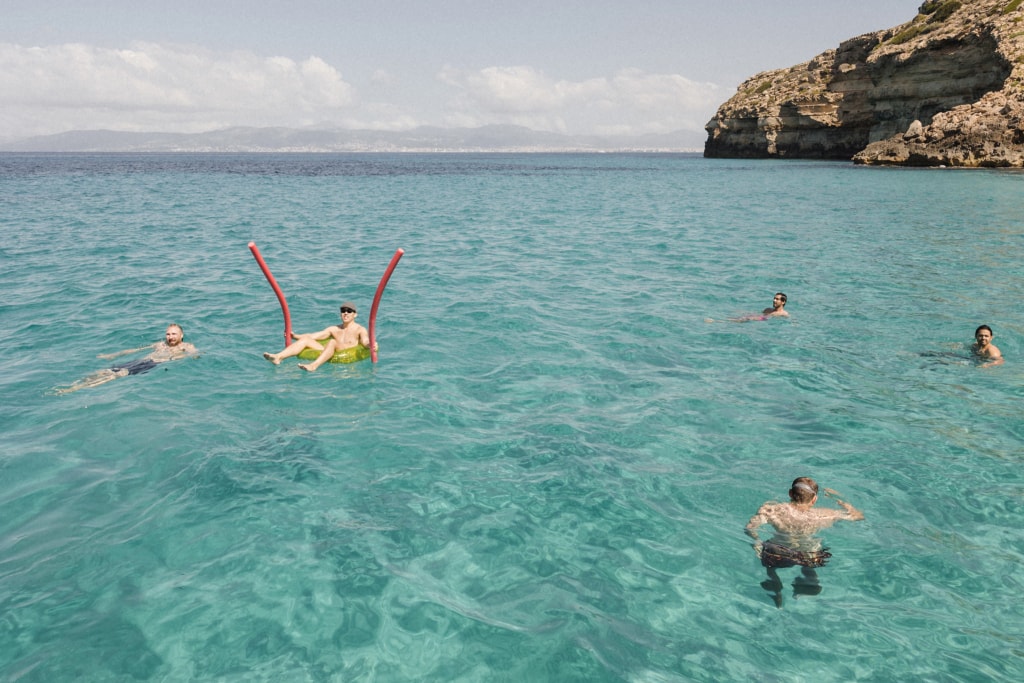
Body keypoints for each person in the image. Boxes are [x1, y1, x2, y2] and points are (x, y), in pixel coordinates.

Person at [745, 476, 864, 608]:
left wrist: (756, 542)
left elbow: (750, 528)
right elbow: (858, 517)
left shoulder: (772, 510)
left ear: (790, 493)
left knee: (770, 562)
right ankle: (810, 577)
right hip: (807, 556)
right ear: (814, 499)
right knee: (814, 551)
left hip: (778, 554)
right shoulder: (825, 515)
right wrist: (838, 499)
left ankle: (775, 586)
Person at [56, 323, 198, 394]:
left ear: (181, 335)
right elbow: (136, 350)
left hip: (150, 365)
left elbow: (194, 354)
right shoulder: (159, 344)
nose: (170, 337)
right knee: (108, 370)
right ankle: (76, 382)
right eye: (168, 334)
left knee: (118, 375)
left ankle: (75, 388)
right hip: (139, 361)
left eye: (174, 334)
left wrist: (194, 355)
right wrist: (113, 355)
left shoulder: (185, 346)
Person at [263, 301, 373, 372]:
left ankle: (313, 365)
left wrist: (370, 345)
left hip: (347, 351)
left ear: (355, 314)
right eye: (343, 311)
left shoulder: (360, 329)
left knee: (332, 342)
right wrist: (295, 336)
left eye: (349, 311)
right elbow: (314, 336)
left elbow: (365, 341)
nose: (346, 313)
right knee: (306, 339)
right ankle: (278, 357)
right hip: (332, 350)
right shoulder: (333, 329)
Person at [705, 292, 789, 323]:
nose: (774, 300)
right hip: (761, 318)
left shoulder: (783, 314)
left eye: (777, 299)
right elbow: (759, 314)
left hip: (762, 320)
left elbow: (790, 320)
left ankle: (717, 321)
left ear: (783, 302)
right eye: (774, 298)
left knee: (745, 319)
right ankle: (722, 319)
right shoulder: (768, 309)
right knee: (743, 314)